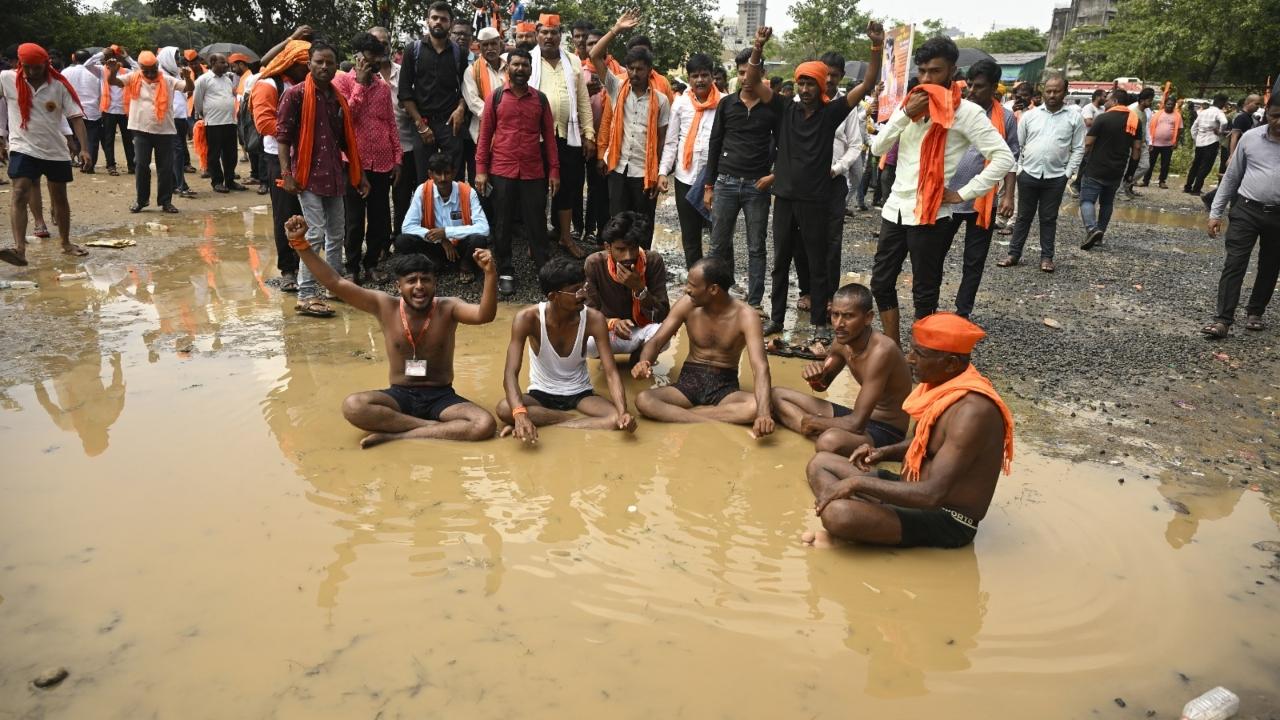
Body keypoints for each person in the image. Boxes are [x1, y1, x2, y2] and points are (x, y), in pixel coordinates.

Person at [284, 214, 500, 446]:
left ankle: (397, 434)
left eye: (425, 280)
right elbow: (335, 283)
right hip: (400, 396)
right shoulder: (384, 305)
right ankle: (432, 429)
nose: (419, 287)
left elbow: (484, 316)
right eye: (412, 281)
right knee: (353, 406)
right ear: (399, 286)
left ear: (435, 284)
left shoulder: (449, 307)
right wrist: (301, 244)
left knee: (484, 424)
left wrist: (490, 274)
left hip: (442, 396)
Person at [803, 312, 1014, 549]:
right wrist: (881, 452)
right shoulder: (943, 386)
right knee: (820, 463)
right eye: (912, 350)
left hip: (946, 517)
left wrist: (856, 484)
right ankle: (870, 524)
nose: (909, 359)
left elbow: (932, 494)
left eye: (919, 354)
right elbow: (925, 443)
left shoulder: (973, 412)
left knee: (837, 514)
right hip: (910, 491)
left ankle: (860, 525)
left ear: (951, 363)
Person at [868, 35, 1015, 347]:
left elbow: (1004, 157)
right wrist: (905, 114)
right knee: (880, 282)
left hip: (933, 213)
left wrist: (963, 194)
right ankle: (893, 348)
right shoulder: (910, 103)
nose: (926, 79)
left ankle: (921, 353)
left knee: (925, 290)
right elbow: (877, 146)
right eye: (922, 71)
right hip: (895, 208)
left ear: (952, 71)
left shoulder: (967, 113)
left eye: (934, 71)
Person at [744, 23, 884, 334]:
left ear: (821, 86)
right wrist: (758, 47)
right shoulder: (784, 109)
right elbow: (752, 81)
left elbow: (869, 82)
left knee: (818, 263)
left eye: (810, 84)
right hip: (784, 199)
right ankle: (778, 320)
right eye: (800, 83)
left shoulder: (831, 112)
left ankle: (820, 323)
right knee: (780, 263)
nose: (804, 89)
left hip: (816, 201)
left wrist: (876, 47)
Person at [276, 40, 371, 318]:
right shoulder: (295, 95)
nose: (325, 66)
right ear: (309, 64)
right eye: (319, 61)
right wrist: (287, 174)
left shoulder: (336, 97)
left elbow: (345, 141)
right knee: (315, 233)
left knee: (336, 234)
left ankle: (333, 286)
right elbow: (282, 137)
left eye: (330, 62)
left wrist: (360, 174)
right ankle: (307, 294)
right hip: (307, 176)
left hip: (334, 175)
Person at [496, 256, 637, 441]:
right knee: (505, 408)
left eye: (583, 287)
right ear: (553, 296)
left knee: (616, 419)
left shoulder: (594, 319)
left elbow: (611, 372)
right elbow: (510, 373)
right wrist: (520, 415)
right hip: (540, 393)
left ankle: (554, 423)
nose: (583, 294)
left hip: (580, 393)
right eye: (575, 291)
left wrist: (623, 411)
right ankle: (571, 421)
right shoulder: (527, 319)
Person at [631, 256, 774, 436]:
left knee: (759, 406)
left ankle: (685, 416)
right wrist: (644, 362)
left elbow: (760, 367)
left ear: (713, 289)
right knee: (644, 400)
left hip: (725, 387)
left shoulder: (747, 316)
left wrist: (763, 414)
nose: (686, 289)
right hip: (688, 382)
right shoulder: (687, 304)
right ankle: (707, 419)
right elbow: (657, 340)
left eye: (692, 285)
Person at [770, 284, 911, 454]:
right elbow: (822, 386)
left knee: (828, 442)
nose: (839, 324)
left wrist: (816, 422)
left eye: (848, 316)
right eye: (835, 315)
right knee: (776, 394)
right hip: (857, 417)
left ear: (868, 318)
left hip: (885, 429)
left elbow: (856, 424)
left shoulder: (882, 351)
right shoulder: (841, 342)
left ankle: (812, 428)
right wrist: (815, 377)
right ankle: (811, 428)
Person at [931, 61, 1020, 314]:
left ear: (994, 88)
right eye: (969, 85)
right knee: (935, 255)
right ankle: (929, 306)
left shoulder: (1006, 118)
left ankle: (963, 311)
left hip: (983, 201)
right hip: (947, 198)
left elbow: (1011, 158)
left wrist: (1008, 196)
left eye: (979, 87)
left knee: (974, 260)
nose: (971, 91)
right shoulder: (953, 110)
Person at [474, 47, 559, 298]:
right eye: (516, 65)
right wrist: (481, 170)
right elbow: (485, 134)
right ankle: (506, 271)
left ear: (531, 70)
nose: (520, 69)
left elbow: (550, 140)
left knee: (537, 222)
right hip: (501, 169)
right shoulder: (496, 97)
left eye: (525, 65)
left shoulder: (540, 99)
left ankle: (545, 272)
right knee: (502, 223)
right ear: (508, 68)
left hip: (533, 171)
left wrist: (554, 171)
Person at [703, 47, 783, 310]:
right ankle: (715, 297)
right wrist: (708, 185)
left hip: (756, 187)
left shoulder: (773, 108)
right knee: (717, 245)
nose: (746, 78)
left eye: (751, 73)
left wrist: (773, 176)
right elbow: (714, 145)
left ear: (762, 74)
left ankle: (755, 302)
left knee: (756, 247)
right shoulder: (727, 104)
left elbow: (786, 146)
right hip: (725, 182)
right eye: (741, 73)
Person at [0, 43, 92, 267]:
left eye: (37, 67)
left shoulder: (59, 85)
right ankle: (20, 250)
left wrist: (84, 148)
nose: (32, 72)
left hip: (55, 150)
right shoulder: (7, 78)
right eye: (27, 67)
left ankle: (66, 242)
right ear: (20, 65)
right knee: (19, 192)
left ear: (46, 64)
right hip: (23, 146)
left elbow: (76, 117)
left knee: (59, 198)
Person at [589, 11, 671, 248]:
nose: (634, 74)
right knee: (618, 222)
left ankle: (642, 269)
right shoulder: (616, 86)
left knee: (643, 224)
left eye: (640, 69)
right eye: (631, 68)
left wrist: (659, 173)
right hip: (618, 167)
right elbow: (594, 55)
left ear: (649, 70)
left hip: (644, 172)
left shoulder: (661, 100)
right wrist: (616, 29)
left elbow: (663, 140)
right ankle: (617, 267)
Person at [1201, 95, 1280, 339]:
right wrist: (1216, 212)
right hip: (1246, 209)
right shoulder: (1250, 138)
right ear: (1266, 112)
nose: (1279, 122)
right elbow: (1232, 177)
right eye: (1275, 115)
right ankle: (1222, 319)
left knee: (1270, 265)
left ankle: (1255, 312)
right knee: (1235, 263)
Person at [334, 32, 401, 285]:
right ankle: (351, 267)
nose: (371, 67)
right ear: (357, 58)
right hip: (352, 162)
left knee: (380, 217)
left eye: (375, 62)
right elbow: (343, 120)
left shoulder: (383, 88)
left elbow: (390, 123)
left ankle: (371, 264)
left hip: (382, 162)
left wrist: (398, 158)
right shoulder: (342, 83)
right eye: (367, 61)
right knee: (353, 220)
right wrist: (360, 85)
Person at [999, 72, 1082, 274]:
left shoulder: (1074, 117)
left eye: (1057, 91)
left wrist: (1068, 173)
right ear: (1043, 92)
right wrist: (1018, 170)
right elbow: (1019, 145)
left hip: (1056, 177)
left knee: (1048, 218)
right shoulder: (1030, 116)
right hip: (1028, 174)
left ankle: (1046, 258)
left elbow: (1078, 148)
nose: (1052, 94)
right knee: (1023, 217)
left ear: (1065, 92)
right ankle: (1013, 254)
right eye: (1049, 90)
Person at [530, 13, 595, 260]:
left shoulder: (572, 62)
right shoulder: (529, 61)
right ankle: (536, 240)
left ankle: (565, 237)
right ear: (537, 34)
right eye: (544, 32)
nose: (549, 36)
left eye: (554, 32)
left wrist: (589, 134)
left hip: (568, 135)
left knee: (567, 186)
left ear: (560, 35)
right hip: (535, 137)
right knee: (536, 189)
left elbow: (582, 101)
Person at [252, 32, 311, 293]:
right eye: (305, 64)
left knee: (310, 211)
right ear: (292, 63)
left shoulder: (307, 83)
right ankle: (288, 269)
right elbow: (264, 123)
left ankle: (309, 265)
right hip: (279, 157)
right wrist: (300, 133)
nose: (309, 69)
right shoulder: (268, 85)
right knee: (285, 213)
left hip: (308, 157)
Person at [107, 50, 190, 214]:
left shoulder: (167, 79)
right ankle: (141, 200)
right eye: (147, 71)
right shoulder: (133, 77)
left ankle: (165, 202)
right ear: (141, 68)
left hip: (165, 131)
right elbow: (114, 82)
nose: (151, 74)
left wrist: (187, 77)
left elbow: (187, 87)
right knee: (141, 165)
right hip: (140, 130)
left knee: (165, 168)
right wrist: (113, 70)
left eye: (154, 70)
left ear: (158, 66)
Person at [658, 52, 719, 269]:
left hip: (714, 179)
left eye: (705, 75)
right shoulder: (680, 104)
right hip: (685, 177)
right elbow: (672, 142)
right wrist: (663, 171)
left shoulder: (724, 103)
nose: (700, 80)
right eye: (695, 76)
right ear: (689, 78)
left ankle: (719, 282)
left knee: (719, 233)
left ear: (713, 76)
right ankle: (696, 280)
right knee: (690, 234)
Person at [583, 210, 671, 358]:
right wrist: (612, 323)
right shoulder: (594, 263)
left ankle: (639, 359)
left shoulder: (653, 261)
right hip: (607, 332)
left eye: (633, 248)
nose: (628, 256)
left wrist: (640, 289)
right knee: (584, 341)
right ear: (608, 247)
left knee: (664, 335)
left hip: (640, 332)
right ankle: (607, 361)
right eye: (621, 249)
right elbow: (586, 314)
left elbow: (662, 314)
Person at [399, 2, 468, 177]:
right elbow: (405, 92)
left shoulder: (459, 53)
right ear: (427, 21)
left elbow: (465, 89)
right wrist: (421, 126)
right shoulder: (412, 50)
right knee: (425, 178)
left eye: (443, 19)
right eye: (434, 18)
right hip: (422, 123)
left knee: (454, 177)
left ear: (450, 24)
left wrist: (461, 109)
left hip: (450, 124)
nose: (438, 22)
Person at [396, 151, 490, 280]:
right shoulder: (422, 191)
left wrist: (447, 232)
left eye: (447, 173)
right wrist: (441, 239)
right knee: (402, 240)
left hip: (461, 245)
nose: (443, 178)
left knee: (478, 239)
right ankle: (434, 262)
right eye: (438, 173)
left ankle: (465, 265)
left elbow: (484, 228)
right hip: (436, 245)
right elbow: (407, 227)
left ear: (454, 172)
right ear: (430, 174)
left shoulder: (468, 192)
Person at [1078, 88, 1140, 251]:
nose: (1105, 102)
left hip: (1096, 168)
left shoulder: (1102, 118)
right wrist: (1130, 173)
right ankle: (1099, 236)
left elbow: (1089, 143)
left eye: (1108, 99)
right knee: (1106, 203)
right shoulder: (1134, 121)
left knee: (1087, 200)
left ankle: (1092, 229)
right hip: (1117, 170)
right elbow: (1136, 150)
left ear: (1115, 102)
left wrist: (1082, 161)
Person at [192, 52, 242, 193]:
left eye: (226, 62)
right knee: (214, 154)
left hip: (230, 121)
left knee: (231, 154)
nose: (226, 65)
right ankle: (217, 182)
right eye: (222, 62)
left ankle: (230, 180)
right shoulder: (203, 80)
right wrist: (204, 114)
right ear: (213, 63)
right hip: (213, 122)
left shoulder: (228, 79)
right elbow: (198, 101)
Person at [461, 26, 505, 182]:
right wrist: (501, 116)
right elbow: (473, 103)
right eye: (485, 45)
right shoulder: (471, 71)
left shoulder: (510, 66)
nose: (490, 48)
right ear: (479, 47)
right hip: (481, 135)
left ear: (501, 44)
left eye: (494, 44)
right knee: (481, 181)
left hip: (508, 135)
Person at [157, 48, 197, 199]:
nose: (178, 59)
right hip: (170, 117)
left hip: (180, 116)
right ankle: (181, 185)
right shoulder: (160, 74)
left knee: (176, 151)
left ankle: (176, 184)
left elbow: (187, 91)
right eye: (175, 56)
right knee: (177, 152)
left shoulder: (175, 73)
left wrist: (186, 78)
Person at [92, 46, 137, 175]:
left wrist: (127, 57)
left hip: (124, 111)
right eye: (109, 56)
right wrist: (102, 54)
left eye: (114, 56)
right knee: (108, 140)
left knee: (128, 140)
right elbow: (86, 65)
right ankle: (111, 166)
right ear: (105, 59)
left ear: (118, 58)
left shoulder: (126, 71)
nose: (112, 58)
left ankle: (132, 166)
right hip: (108, 110)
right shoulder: (101, 70)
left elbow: (139, 70)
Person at [60, 50, 102, 174]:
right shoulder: (95, 73)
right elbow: (100, 92)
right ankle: (90, 165)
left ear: (74, 59)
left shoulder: (66, 72)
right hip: (92, 110)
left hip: (71, 111)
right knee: (92, 140)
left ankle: (79, 159)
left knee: (74, 137)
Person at [1184, 93, 1228, 195]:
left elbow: (1193, 128)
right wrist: (1220, 132)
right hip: (1212, 142)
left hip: (1200, 143)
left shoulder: (1203, 112)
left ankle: (1188, 187)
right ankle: (1196, 189)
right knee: (1205, 167)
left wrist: (1196, 139)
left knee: (1195, 165)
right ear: (1222, 103)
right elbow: (1224, 122)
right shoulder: (1219, 112)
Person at [1142, 95, 1183, 188]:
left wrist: (1176, 142)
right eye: (1168, 104)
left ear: (1174, 105)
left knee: (1165, 164)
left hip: (1168, 145)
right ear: (1164, 104)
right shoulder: (1157, 114)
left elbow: (1179, 130)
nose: (1169, 106)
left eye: (1172, 105)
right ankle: (1145, 181)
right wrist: (1149, 141)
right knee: (1150, 163)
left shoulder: (1177, 116)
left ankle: (1162, 181)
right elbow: (1150, 127)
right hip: (1154, 143)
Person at [1120, 86, 1154, 196]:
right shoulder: (1132, 112)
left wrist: (1148, 142)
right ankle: (1120, 190)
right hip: (1132, 144)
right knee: (1127, 167)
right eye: (1149, 100)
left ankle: (1127, 184)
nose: (1151, 102)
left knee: (1145, 166)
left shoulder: (1145, 112)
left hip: (1142, 143)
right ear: (1142, 100)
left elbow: (1146, 128)